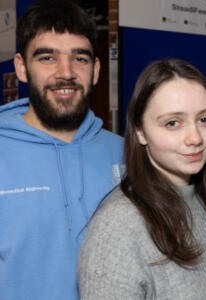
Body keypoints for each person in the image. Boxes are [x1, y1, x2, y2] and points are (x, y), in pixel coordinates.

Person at [77, 59, 206, 299]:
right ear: (140, 131)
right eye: (173, 123)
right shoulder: (118, 227)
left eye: (205, 120)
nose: (195, 137)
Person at [0, 0, 124, 299]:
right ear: (22, 67)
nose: (65, 73)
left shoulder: (127, 154)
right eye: (47, 57)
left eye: (79, 59)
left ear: (95, 70)